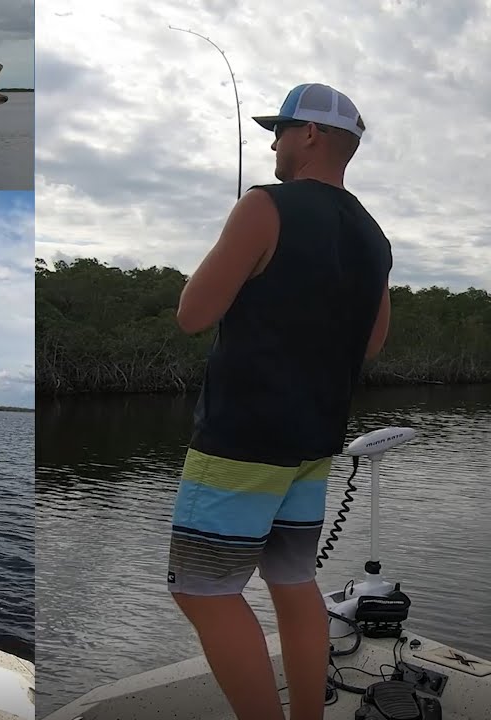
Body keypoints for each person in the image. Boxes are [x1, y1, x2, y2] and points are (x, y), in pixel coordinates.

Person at [167, 83, 393, 720]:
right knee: (292, 582)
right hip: (312, 447)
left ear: (312, 135)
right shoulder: (375, 238)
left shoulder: (263, 204)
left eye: (282, 129)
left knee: (204, 593)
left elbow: (192, 314)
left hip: (241, 444)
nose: (272, 141)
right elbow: (372, 343)